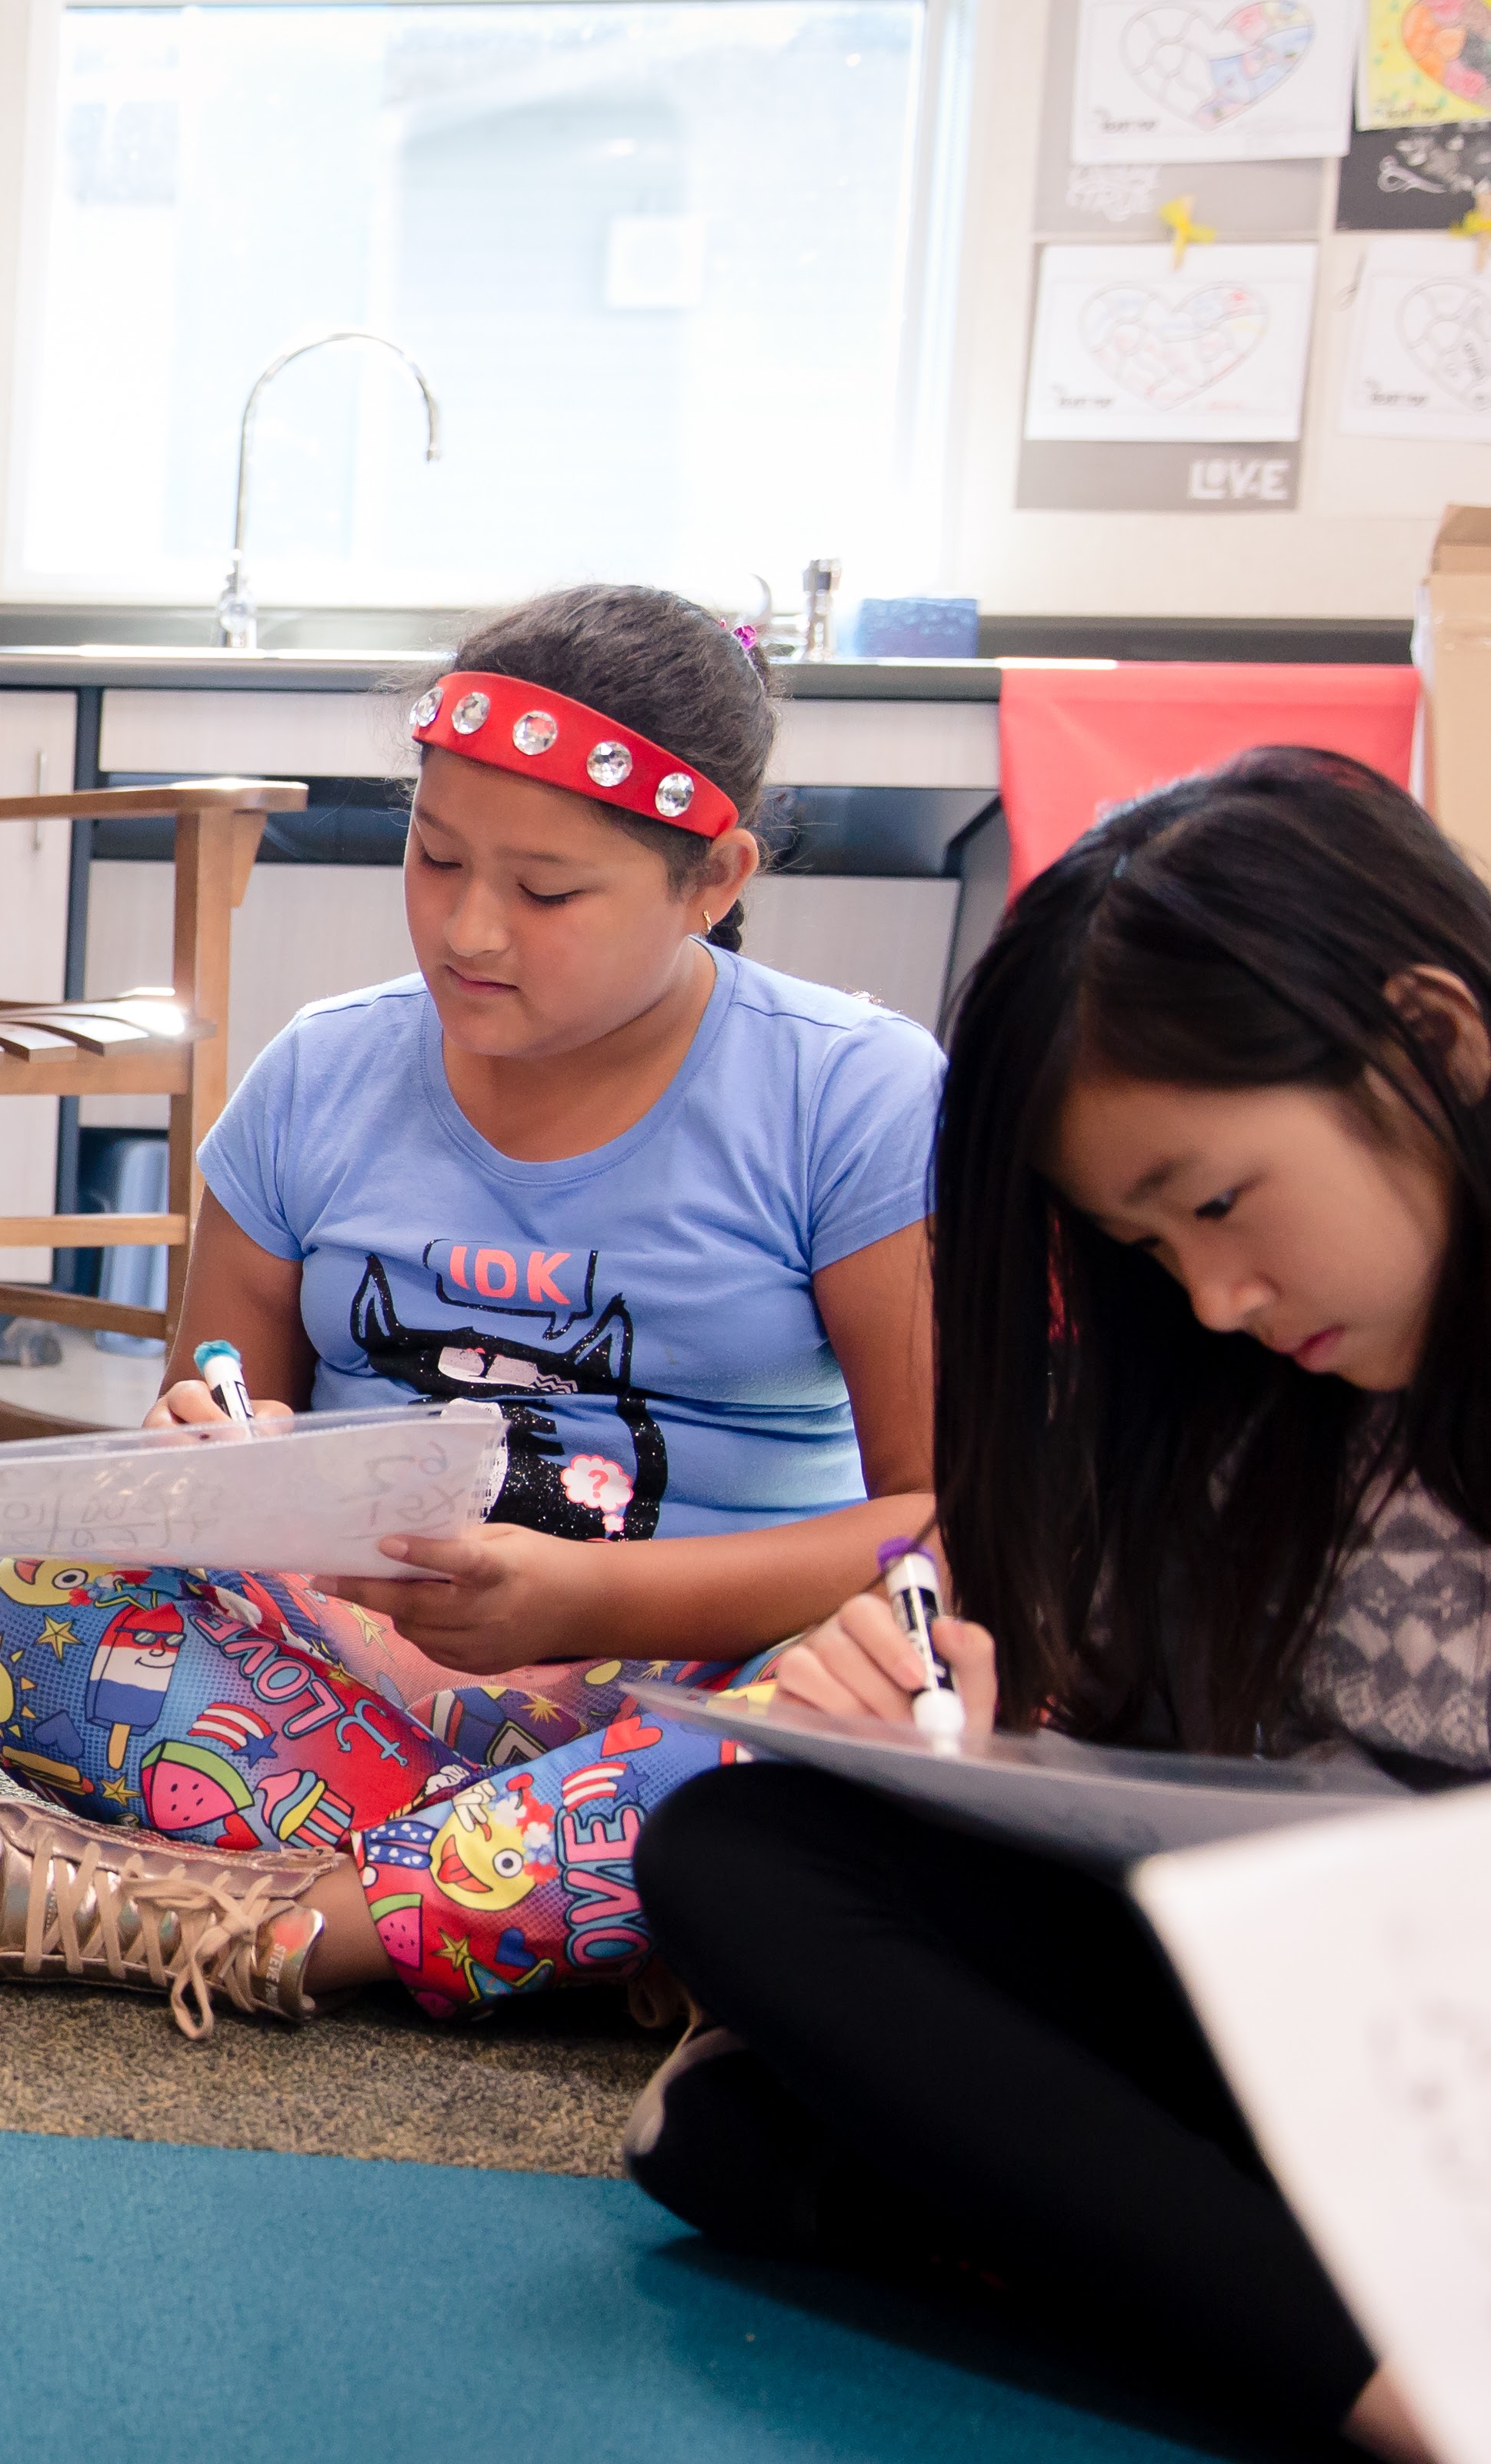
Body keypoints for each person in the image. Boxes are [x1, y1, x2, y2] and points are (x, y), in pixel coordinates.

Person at [0, 584, 941, 2032]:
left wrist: (591, 1597)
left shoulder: (853, 1098)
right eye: (433, 859)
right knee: (29, 1615)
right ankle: (598, 1902)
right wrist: (210, 1453)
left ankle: (289, 1926)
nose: (471, 928)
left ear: (715, 878)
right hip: (372, 1672)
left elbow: (938, 1525)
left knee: (866, 1720)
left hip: (696, 1669)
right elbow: (210, 1413)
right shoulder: (319, 1076)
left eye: (548, 891)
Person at [632, 750, 1469, 2461]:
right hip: (1347, 2039)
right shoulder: (1235, 1399)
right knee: (743, 1855)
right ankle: (1380, 2354)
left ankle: (1335, 2352)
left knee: (752, 2140)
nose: (1218, 1296)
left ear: (1436, 1040)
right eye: (1148, 1247)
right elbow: (1080, 1705)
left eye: (1222, 1201)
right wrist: (934, 1695)